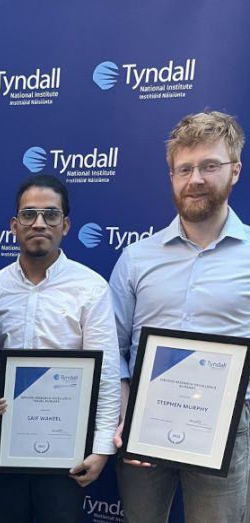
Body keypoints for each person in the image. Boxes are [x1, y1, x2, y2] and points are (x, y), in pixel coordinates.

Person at [110, 110, 249, 523]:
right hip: (145, 421)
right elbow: (113, 345)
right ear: (171, 176)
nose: (197, 179)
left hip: (227, 427)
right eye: (184, 168)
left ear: (235, 170)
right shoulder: (137, 258)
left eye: (210, 166)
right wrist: (126, 409)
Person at [0, 174, 120, 523]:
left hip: (66, 453)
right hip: (5, 450)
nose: (39, 223)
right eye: (28, 214)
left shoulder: (91, 289)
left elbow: (104, 375)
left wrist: (102, 448)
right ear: (14, 225)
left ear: (66, 224)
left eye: (51, 214)